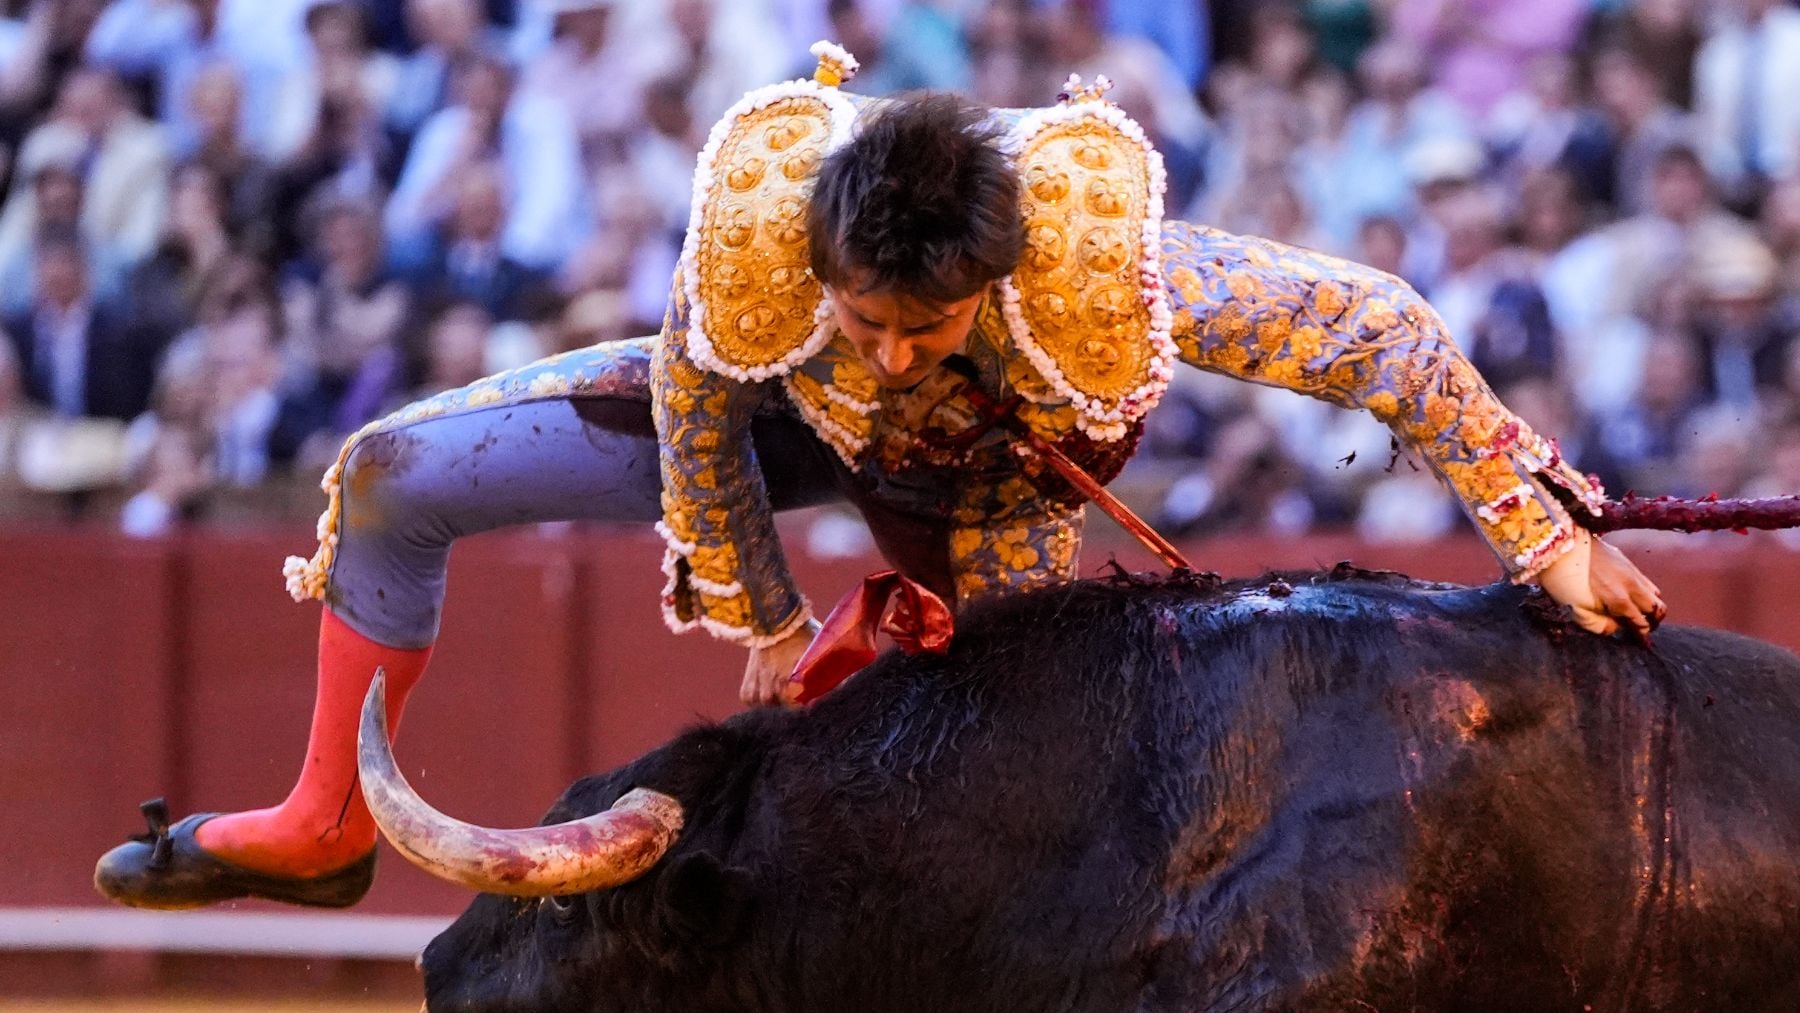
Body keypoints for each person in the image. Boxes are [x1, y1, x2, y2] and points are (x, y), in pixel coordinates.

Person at [94, 51, 1665, 911]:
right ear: (821, 266)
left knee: (1023, 832)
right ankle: (319, 821)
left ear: (1000, 277)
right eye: (871, 320)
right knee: (386, 472)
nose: (899, 352)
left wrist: (1542, 533)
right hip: (787, 423)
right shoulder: (758, 247)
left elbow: (1378, 329)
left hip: (999, 498)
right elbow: (701, 413)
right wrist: (769, 619)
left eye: (933, 325)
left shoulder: (1097, 263)